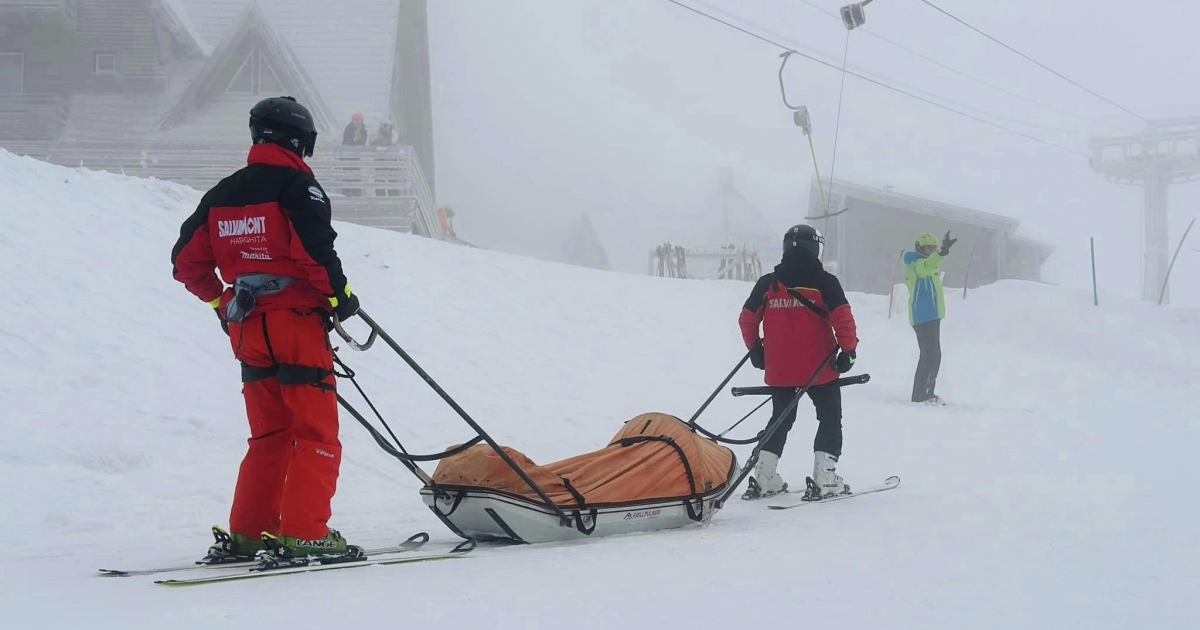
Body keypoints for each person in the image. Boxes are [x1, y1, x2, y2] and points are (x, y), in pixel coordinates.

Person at [171, 96, 362, 561]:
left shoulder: (222, 193)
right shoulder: (299, 187)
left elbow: (185, 263)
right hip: (295, 322)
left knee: (270, 435)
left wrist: (222, 301)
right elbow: (315, 253)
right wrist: (341, 298)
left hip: (248, 328)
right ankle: (305, 533)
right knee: (315, 433)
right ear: (300, 140)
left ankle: (251, 532)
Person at [738, 225, 859, 500]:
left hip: (780, 368)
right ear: (814, 248)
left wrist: (756, 350)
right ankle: (825, 477)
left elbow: (747, 319)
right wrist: (849, 352)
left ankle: (764, 476)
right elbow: (843, 319)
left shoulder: (768, 284)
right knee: (829, 417)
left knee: (780, 418)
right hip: (820, 369)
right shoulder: (825, 282)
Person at [903, 231, 957, 405]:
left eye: (934, 249)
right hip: (923, 315)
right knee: (931, 355)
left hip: (932, 315)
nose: (932, 252)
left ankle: (923, 393)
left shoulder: (928, 264)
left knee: (931, 354)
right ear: (919, 248)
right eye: (929, 249)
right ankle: (922, 395)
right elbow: (925, 268)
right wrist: (941, 253)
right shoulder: (916, 264)